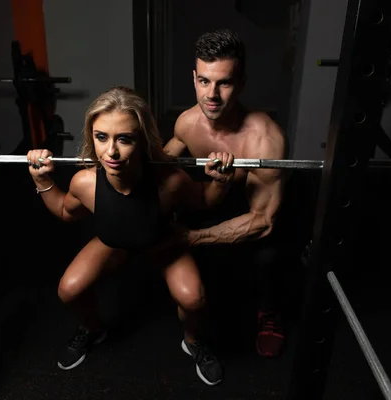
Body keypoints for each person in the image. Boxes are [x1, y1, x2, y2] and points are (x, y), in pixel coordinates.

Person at [26, 86, 235, 386]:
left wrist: (221, 183)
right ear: (91, 136)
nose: (111, 152)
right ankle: (93, 329)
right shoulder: (85, 182)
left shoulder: (170, 181)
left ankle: (194, 342)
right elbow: (63, 210)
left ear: (143, 139)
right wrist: (43, 180)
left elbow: (204, 200)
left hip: (160, 242)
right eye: (101, 137)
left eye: (124, 139)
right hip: (114, 242)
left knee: (194, 298)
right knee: (68, 290)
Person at [164, 29, 288, 358]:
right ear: (194, 78)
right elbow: (158, 167)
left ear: (242, 82)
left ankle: (269, 311)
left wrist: (192, 237)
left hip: (254, 215)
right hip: (212, 201)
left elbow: (264, 221)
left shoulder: (265, 138)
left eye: (224, 82)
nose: (212, 95)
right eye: (204, 81)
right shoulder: (187, 122)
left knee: (270, 256)